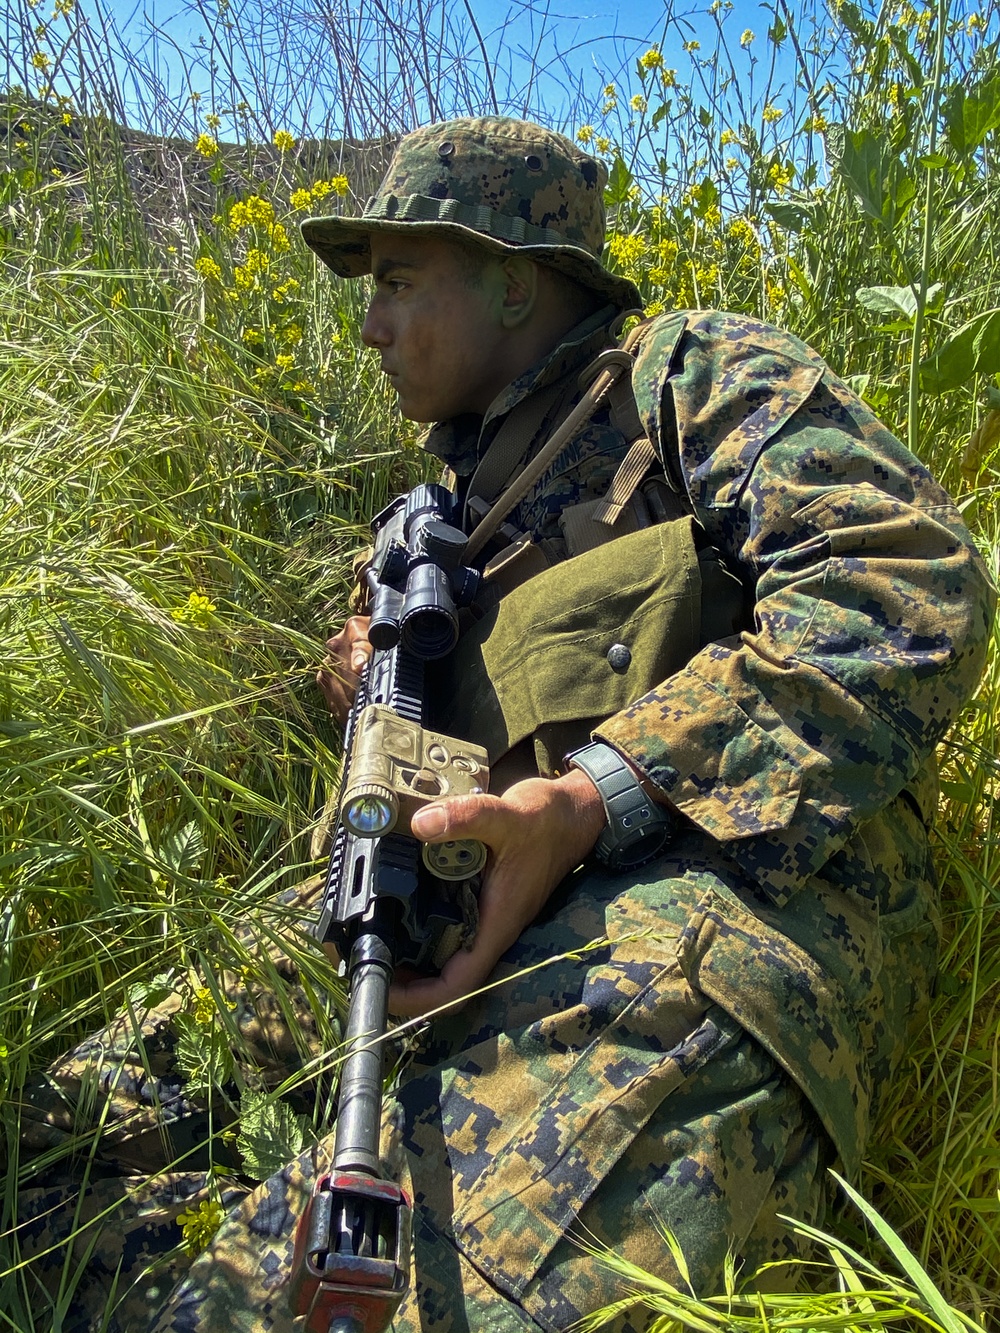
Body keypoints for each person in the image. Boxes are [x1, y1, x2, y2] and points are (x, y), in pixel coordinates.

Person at [16, 116, 995, 1333]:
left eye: (397, 282)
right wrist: (375, 688)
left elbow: (900, 586)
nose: (369, 325)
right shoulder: (452, 506)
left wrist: (591, 797)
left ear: (517, 281)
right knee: (41, 1154)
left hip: (702, 914)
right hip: (439, 900)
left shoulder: (685, 375)